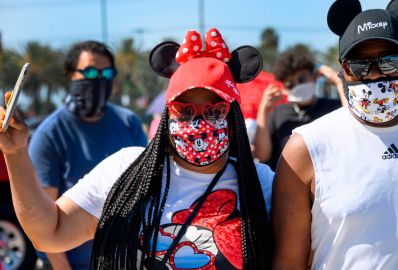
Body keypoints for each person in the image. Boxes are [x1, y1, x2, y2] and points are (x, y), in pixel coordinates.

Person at [1, 28, 272, 269]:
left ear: (234, 119)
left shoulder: (262, 184)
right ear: (167, 117)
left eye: (214, 111)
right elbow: (50, 233)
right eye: (184, 111)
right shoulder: (125, 171)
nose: (198, 122)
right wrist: (16, 155)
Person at [271, 0, 398, 269]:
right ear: (342, 74)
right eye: (357, 66)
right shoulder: (307, 148)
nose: (373, 76)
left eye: (390, 64)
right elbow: (288, 263)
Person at [28, 41, 148, 269]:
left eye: (106, 73)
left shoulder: (128, 122)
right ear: (70, 75)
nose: (98, 80)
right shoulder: (49, 134)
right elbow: (44, 216)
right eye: (90, 72)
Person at [254, 47, 345, 170]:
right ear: (285, 88)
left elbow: (354, 126)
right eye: (290, 84)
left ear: (315, 76)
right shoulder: (277, 112)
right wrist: (264, 109)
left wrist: (339, 82)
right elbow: (261, 155)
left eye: (302, 79)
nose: (297, 85)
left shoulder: (334, 107)